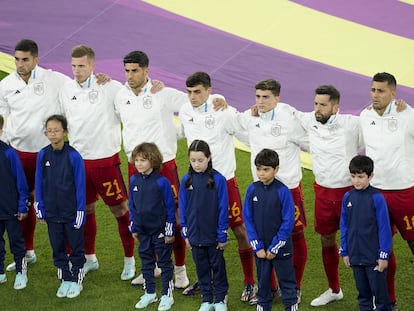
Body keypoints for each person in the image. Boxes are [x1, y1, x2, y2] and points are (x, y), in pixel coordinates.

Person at [114, 50, 191, 287]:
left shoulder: (163, 93)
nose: (130, 75)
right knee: (144, 217)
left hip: (164, 165)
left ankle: (180, 270)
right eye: (126, 70)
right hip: (134, 166)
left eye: (135, 70)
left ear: (147, 70)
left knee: (174, 217)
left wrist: (218, 100)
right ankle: (153, 266)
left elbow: (193, 103)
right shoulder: (119, 95)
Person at [59, 45, 135, 280]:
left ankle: (129, 261)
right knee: (85, 210)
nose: (77, 70)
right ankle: (90, 259)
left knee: (120, 210)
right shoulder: (66, 89)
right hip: (78, 163)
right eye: (73, 66)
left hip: (105, 162)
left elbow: (130, 111)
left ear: (93, 65)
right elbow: (64, 121)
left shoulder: (110, 87)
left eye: (82, 66)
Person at [179, 71, 256, 302]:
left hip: (224, 182)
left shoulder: (223, 110)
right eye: (190, 92)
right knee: (199, 230)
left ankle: (250, 281)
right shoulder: (184, 111)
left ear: (209, 91)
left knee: (239, 230)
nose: (193, 97)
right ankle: (205, 283)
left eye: (198, 92)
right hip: (197, 182)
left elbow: (245, 129)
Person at [0, 39, 71, 271]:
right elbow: (2, 116)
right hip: (18, 153)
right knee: (22, 203)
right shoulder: (6, 84)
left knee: (58, 203)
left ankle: (70, 254)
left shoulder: (54, 79)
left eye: (25, 60)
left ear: (36, 59)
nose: (20, 64)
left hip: (48, 154)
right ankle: (27, 252)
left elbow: (79, 86)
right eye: (17, 60)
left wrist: (99, 81)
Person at [236, 79, 308, 302]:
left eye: (266, 97)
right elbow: (232, 123)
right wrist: (216, 101)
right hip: (262, 191)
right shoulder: (250, 118)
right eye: (257, 96)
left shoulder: (291, 118)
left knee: (295, 237)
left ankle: (294, 287)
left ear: (277, 97)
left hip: (288, 189)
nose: (260, 101)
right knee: (265, 236)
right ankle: (270, 288)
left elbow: (309, 139)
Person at [293, 85, 363, 306]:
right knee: (326, 239)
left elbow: (377, 126)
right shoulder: (309, 121)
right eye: (315, 103)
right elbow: (286, 112)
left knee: (360, 243)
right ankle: (334, 289)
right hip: (322, 192)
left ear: (336, 107)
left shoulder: (351, 124)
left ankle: (369, 293)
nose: (317, 109)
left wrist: (397, 108)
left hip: (349, 193)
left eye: (323, 105)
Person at [360, 72, 414, 310]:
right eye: (373, 90)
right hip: (376, 194)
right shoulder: (364, 116)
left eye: (381, 91)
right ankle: (388, 301)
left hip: (404, 193)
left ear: (393, 93)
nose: (375, 95)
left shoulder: (407, 115)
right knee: (382, 249)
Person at [34, 114, 86, 298]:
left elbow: (80, 186)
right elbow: (39, 182)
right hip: (52, 212)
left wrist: (80, 211)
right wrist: (39, 206)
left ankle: (76, 279)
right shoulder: (43, 154)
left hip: (71, 211)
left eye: (56, 130)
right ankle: (64, 278)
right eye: (49, 130)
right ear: (45, 133)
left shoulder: (74, 156)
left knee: (76, 246)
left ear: (64, 132)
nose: (53, 134)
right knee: (57, 247)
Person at [243, 148, 299, 311]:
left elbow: (288, 223)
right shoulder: (252, 189)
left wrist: (274, 247)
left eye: (266, 169)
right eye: (259, 169)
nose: (261, 173)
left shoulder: (283, 191)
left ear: (276, 169)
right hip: (260, 250)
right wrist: (257, 246)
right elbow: (248, 219)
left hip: (281, 250)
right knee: (263, 286)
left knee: (288, 285)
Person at [179, 140, 229, 311]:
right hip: (194, 236)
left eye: (200, 160)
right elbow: (183, 208)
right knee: (202, 269)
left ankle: (221, 299)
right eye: (193, 160)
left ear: (209, 158)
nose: (197, 164)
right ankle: (207, 299)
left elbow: (223, 208)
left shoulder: (218, 179)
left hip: (214, 236)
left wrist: (222, 234)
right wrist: (186, 234)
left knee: (218, 267)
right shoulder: (186, 180)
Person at [340, 155, 392, 311]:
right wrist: (345, 251)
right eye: (353, 176)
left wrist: (383, 255)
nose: (356, 180)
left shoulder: (377, 198)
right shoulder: (347, 197)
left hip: (373, 258)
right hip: (355, 256)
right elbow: (344, 225)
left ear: (371, 176)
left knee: (381, 298)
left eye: (361, 177)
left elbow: (384, 228)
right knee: (363, 296)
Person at [128, 142, 175, 311]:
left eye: (143, 160)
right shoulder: (133, 180)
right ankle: (149, 292)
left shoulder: (162, 182)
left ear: (153, 161)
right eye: (137, 160)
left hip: (160, 232)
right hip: (142, 231)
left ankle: (167, 295)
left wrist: (169, 231)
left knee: (164, 264)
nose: (139, 163)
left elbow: (170, 208)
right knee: (146, 263)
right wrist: (133, 226)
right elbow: (132, 205)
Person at [0, 114, 29, 290]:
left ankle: (21, 272)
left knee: (16, 242)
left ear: (1, 130)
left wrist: (21, 205)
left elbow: (20, 181)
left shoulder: (9, 153)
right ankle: (1, 272)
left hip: (10, 208)